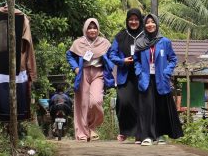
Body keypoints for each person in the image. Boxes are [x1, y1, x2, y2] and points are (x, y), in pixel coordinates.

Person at [134, 13, 184, 146]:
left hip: (161, 79)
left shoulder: (165, 41)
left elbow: (173, 59)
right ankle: (147, 136)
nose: (150, 25)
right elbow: (136, 60)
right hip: (145, 78)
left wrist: (167, 72)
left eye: (152, 22)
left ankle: (160, 135)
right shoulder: (139, 42)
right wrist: (139, 72)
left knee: (160, 107)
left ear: (156, 24)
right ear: (144, 25)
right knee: (147, 107)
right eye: (147, 23)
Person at [66, 18, 113, 141]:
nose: (92, 30)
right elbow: (69, 55)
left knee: (95, 101)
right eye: (90, 27)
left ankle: (92, 127)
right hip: (83, 73)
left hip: (98, 73)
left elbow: (112, 56)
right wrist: (76, 68)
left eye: (95, 27)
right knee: (83, 103)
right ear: (85, 29)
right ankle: (82, 133)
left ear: (98, 29)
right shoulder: (78, 42)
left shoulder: (105, 43)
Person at [108, 8, 144, 142]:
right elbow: (112, 54)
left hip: (141, 75)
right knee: (123, 102)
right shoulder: (120, 36)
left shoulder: (145, 35)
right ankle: (124, 130)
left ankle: (138, 133)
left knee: (140, 104)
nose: (133, 22)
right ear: (127, 20)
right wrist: (122, 61)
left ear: (140, 20)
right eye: (131, 19)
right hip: (125, 74)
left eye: (136, 19)